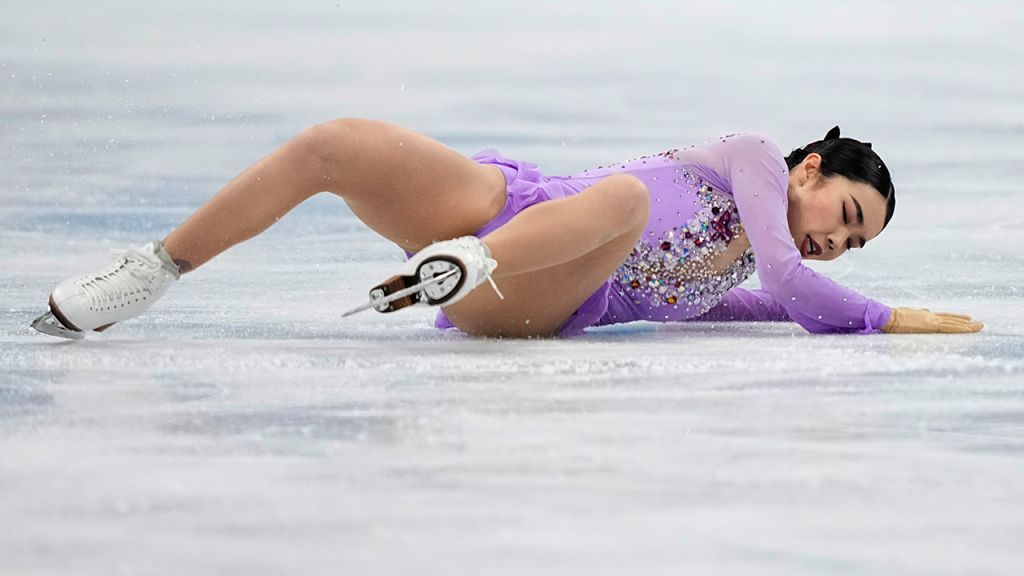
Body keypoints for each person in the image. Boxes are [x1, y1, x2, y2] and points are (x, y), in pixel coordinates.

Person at [31, 119, 983, 339]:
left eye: (856, 247)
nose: (836, 246)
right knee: (331, 147)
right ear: (810, 170)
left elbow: (769, 298)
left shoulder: (748, 272)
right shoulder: (755, 155)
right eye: (846, 218)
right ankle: (154, 268)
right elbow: (789, 280)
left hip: (534, 292)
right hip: (503, 208)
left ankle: (460, 267)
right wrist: (884, 318)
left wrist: (860, 312)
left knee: (621, 207)